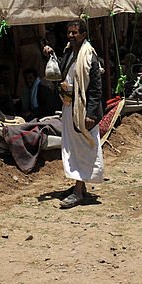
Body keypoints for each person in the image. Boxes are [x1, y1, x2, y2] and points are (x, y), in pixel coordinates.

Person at [43, 19, 104, 209]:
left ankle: (78, 191)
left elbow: (95, 89)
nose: (71, 36)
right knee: (73, 148)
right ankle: (80, 186)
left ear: (84, 35)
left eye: (75, 33)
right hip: (69, 106)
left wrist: (91, 114)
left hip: (83, 110)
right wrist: (52, 55)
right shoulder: (69, 52)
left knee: (84, 148)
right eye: (69, 32)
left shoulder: (89, 57)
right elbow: (63, 71)